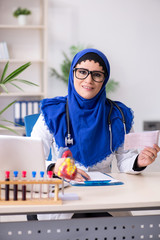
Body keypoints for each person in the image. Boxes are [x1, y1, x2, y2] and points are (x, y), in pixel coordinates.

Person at [31, 48, 160, 219]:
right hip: (65, 192)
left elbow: (125, 159)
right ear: (73, 73)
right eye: (82, 72)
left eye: (97, 75)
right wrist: (55, 167)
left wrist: (139, 162)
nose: (88, 80)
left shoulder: (118, 115)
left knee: (122, 228)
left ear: (104, 79)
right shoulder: (53, 112)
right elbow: (31, 157)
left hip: (105, 193)